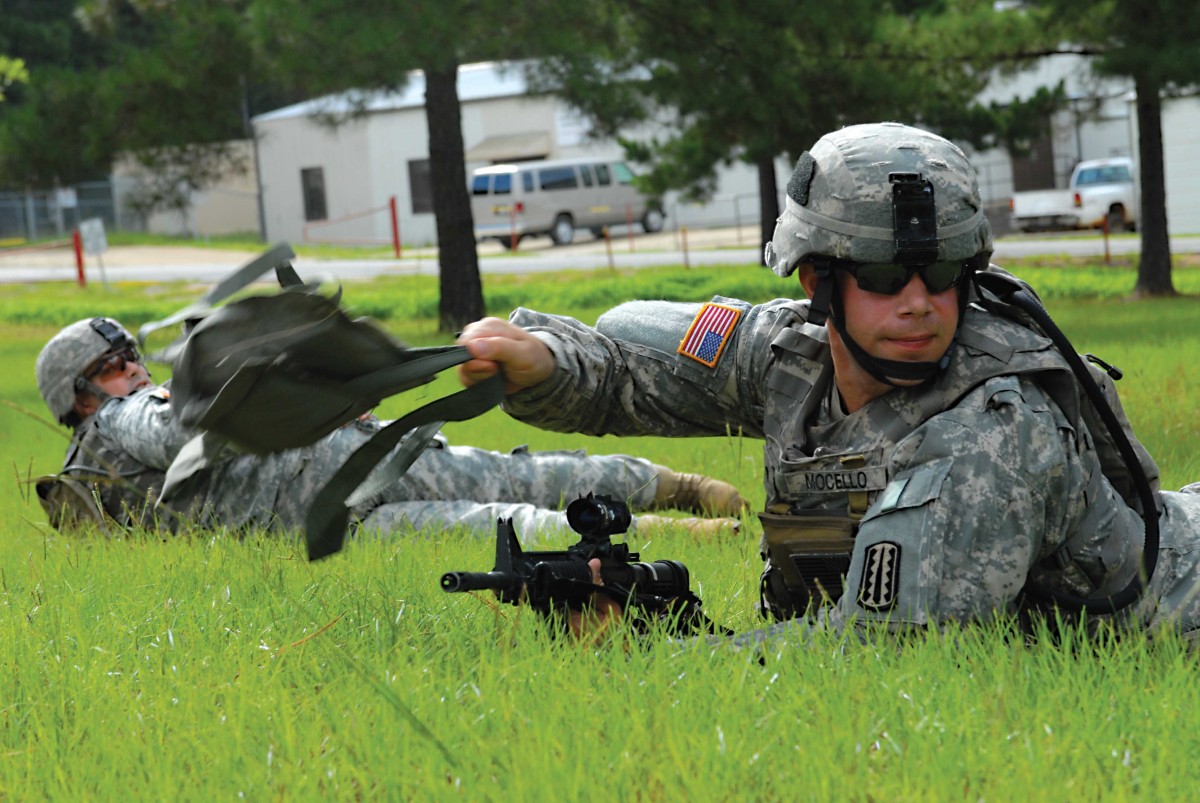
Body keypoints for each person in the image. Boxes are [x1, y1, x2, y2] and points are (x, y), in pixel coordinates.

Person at [457, 121, 1200, 644]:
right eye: (881, 274)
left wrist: (651, 659)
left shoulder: (998, 429)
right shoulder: (789, 355)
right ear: (819, 280)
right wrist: (543, 362)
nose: (918, 301)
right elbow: (625, 364)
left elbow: (886, 654)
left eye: (942, 274)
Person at [34, 316, 747, 542]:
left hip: (343, 481)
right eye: (112, 363)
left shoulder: (118, 436)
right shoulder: (118, 424)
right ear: (81, 395)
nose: (131, 368)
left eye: (131, 355)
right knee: (508, 515)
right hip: (333, 499)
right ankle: (686, 517)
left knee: (512, 492)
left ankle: (686, 492)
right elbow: (178, 434)